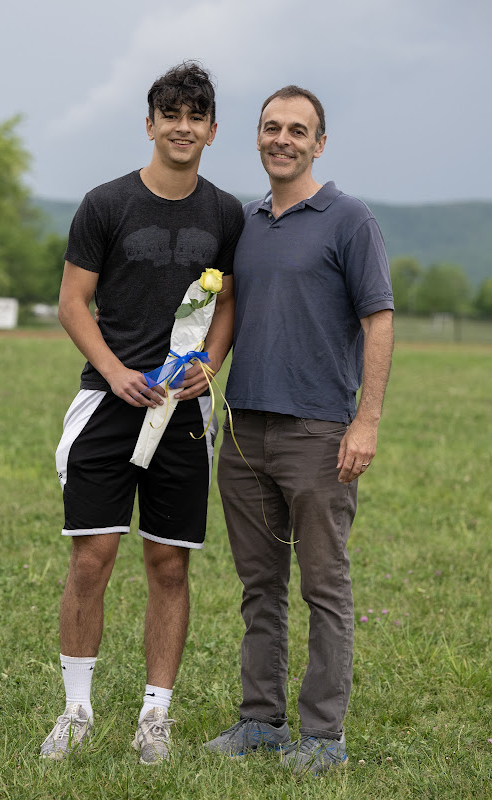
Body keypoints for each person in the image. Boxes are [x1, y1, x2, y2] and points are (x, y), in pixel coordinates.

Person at [40, 62, 244, 763]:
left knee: (168, 567)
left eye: (196, 116)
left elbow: (229, 305)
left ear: (212, 131)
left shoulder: (225, 212)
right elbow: (73, 303)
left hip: (181, 415)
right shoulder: (104, 204)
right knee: (92, 560)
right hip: (109, 402)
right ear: (151, 123)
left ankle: (153, 717)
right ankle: (75, 711)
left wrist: (209, 365)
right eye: (171, 114)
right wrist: (116, 370)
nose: (182, 127)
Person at [205, 86, 394, 775]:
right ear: (256, 137)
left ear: (320, 142)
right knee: (259, 586)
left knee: (325, 586)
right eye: (270, 127)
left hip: (319, 432)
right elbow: (221, 308)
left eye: (297, 130)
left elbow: (379, 319)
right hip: (244, 432)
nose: (281, 139)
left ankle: (323, 736)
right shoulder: (245, 222)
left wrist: (365, 420)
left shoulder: (350, 219)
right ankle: (260, 721)